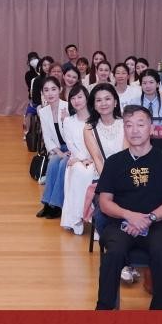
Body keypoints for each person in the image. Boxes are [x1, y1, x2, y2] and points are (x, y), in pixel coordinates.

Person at [94, 106, 162, 310]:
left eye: (140, 125)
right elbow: (105, 202)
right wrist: (130, 216)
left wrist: (148, 219)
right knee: (114, 253)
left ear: (151, 128)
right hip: (121, 224)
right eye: (129, 125)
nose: (134, 130)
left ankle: (160, 311)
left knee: (161, 250)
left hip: (157, 223)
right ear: (124, 129)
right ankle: (104, 309)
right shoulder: (114, 162)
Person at [60, 85, 94, 236]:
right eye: (73, 98)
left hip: (94, 159)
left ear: (86, 98)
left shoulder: (96, 119)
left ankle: (89, 216)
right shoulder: (68, 121)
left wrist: (91, 159)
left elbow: (98, 142)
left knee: (88, 172)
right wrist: (81, 159)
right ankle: (77, 218)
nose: (76, 101)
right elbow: (70, 144)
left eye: (79, 97)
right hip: (77, 159)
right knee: (80, 170)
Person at [36, 77, 68, 219]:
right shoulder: (43, 112)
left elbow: (74, 134)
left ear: (60, 90)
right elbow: (47, 137)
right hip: (58, 148)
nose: (50, 93)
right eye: (46, 90)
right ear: (42, 93)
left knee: (62, 165)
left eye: (53, 89)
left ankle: (56, 205)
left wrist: (65, 120)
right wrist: (59, 152)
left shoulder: (68, 107)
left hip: (72, 147)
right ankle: (47, 204)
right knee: (53, 163)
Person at [136, 70, 162, 137]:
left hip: (160, 139)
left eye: (151, 82)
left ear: (158, 84)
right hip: (138, 138)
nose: (148, 86)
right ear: (141, 85)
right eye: (144, 83)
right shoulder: (134, 103)